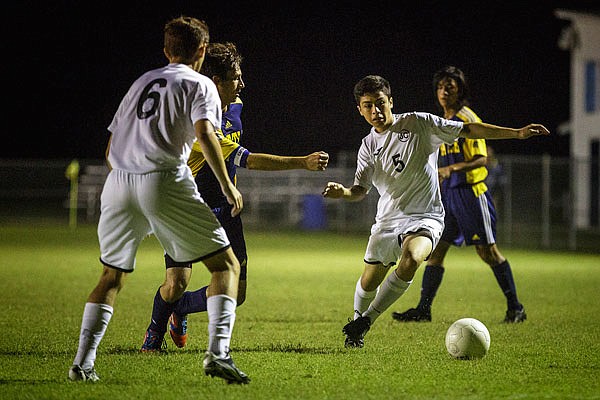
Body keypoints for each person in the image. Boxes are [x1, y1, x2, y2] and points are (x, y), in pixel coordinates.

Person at [68, 17, 250, 384]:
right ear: (201, 51)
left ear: (167, 51)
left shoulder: (141, 83)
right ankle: (218, 355)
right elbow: (204, 133)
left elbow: (110, 147)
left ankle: (82, 364)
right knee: (226, 267)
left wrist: (129, 185)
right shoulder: (202, 85)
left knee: (111, 276)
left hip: (118, 181)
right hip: (164, 179)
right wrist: (227, 186)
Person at [322, 75, 548, 348]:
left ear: (391, 101)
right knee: (369, 282)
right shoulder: (367, 146)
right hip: (387, 220)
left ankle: (366, 320)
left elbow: (469, 130)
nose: (376, 111)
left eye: (380, 103)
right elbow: (360, 190)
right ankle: (356, 322)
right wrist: (342, 193)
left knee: (413, 258)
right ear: (359, 109)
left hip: (425, 216)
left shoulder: (419, 123)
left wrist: (517, 133)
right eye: (368, 106)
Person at [140, 42, 329, 351]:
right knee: (175, 282)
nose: (242, 84)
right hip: (189, 210)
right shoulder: (198, 124)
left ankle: (182, 308)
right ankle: (154, 334)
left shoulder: (236, 105)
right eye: (236, 77)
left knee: (236, 293)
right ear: (216, 82)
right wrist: (302, 162)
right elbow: (247, 159)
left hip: (226, 211)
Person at [392, 66, 526, 324]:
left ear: (459, 91)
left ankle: (516, 307)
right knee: (436, 251)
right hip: (449, 198)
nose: (444, 91)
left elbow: (481, 159)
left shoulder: (466, 118)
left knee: (488, 252)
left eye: (450, 87)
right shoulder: (442, 121)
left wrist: (450, 169)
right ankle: (423, 309)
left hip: (471, 195)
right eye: (441, 87)